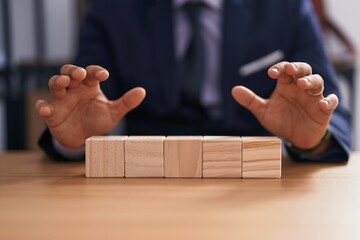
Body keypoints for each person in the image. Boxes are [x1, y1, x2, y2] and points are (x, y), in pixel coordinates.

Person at [35, 0, 351, 162]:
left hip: (255, 178)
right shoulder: (113, 9)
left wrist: (312, 141)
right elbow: (84, 103)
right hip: (145, 176)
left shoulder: (286, 7)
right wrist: (74, 142)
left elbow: (331, 114)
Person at [311, 0, 356, 115]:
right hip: (324, 69)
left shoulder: (327, 26)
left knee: (341, 106)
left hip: (341, 69)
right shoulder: (306, 27)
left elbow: (352, 51)